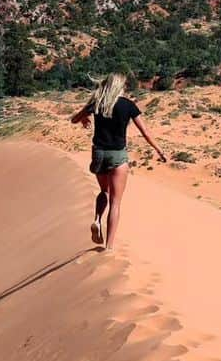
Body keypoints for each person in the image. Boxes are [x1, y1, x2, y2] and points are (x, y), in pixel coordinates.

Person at [71, 73, 167, 250]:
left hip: (98, 153)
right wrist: (158, 149)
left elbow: (74, 119)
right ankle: (109, 247)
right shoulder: (128, 105)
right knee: (116, 202)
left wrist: (84, 117)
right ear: (120, 87)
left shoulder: (97, 103)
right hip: (117, 155)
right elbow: (145, 131)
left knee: (103, 191)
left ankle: (97, 219)